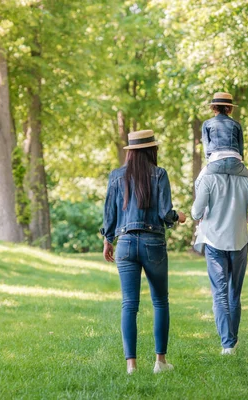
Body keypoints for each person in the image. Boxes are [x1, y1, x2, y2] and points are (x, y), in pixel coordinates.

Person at [101, 130, 186, 374]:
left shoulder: (116, 176)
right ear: (151, 150)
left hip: (125, 243)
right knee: (160, 302)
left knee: (129, 304)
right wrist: (177, 217)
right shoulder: (159, 174)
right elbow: (165, 213)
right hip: (153, 244)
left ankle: (131, 366)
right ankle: (160, 362)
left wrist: (108, 240)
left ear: (131, 152)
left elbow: (110, 213)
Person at [191, 159, 248, 355]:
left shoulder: (207, 179)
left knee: (220, 294)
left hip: (215, 243)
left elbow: (196, 212)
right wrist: (243, 219)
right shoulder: (246, 181)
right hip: (239, 242)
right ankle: (232, 340)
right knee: (234, 294)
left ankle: (228, 344)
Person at [196, 92, 248, 191]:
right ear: (230, 109)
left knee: (198, 182)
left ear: (214, 108)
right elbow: (241, 148)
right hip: (234, 164)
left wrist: (210, 161)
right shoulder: (236, 124)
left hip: (216, 163)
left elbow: (206, 148)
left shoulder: (207, 124)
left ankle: (201, 207)